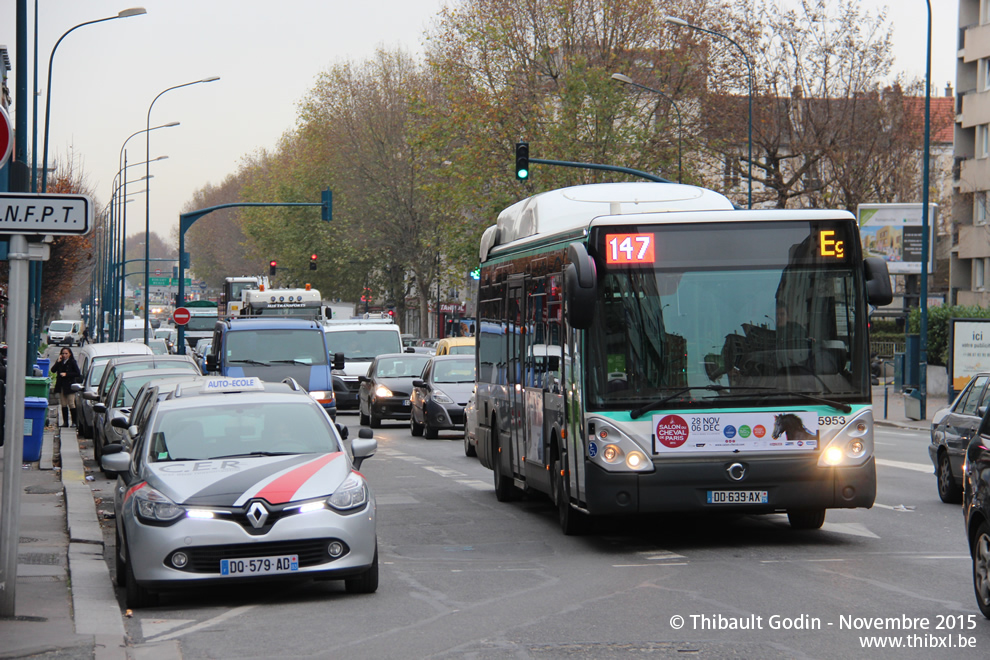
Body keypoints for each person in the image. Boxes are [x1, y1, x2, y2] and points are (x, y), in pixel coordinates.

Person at [51, 348, 81, 428]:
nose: (64, 355)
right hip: (61, 385)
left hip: (70, 385)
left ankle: (74, 422)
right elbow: (53, 370)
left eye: (66, 353)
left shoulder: (72, 362)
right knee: (63, 404)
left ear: (70, 354)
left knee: (71, 403)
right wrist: (58, 361)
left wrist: (67, 374)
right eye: (63, 353)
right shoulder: (60, 362)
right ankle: (65, 422)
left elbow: (77, 373)